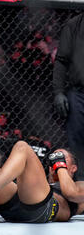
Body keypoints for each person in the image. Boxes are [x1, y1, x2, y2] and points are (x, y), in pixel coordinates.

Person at [53, 11, 84, 180]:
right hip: (79, 93)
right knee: (77, 142)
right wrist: (58, 92)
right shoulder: (74, 25)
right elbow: (61, 61)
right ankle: (81, 192)